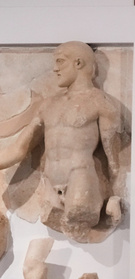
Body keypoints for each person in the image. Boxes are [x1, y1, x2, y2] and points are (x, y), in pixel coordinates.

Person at [0, 41, 124, 242]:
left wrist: (113, 197)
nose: (55, 68)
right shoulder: (48, 105)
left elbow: (114, 162)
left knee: (78, 214)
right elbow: (18, 149)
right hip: (50, 187)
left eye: (60, 61)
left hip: (81, 182)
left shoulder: (100, 103)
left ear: (78, 63)